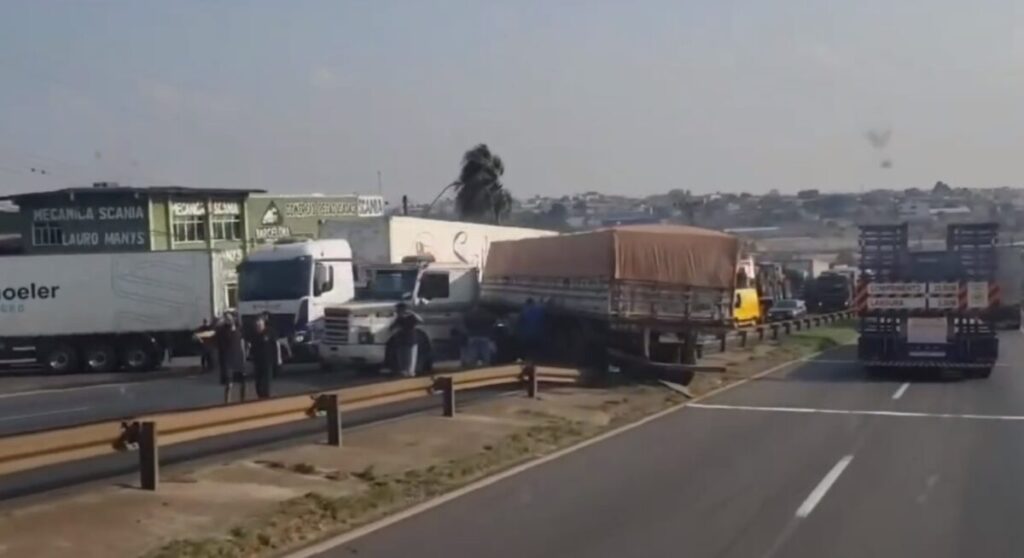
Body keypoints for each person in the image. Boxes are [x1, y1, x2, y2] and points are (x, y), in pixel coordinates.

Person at [215, 312, 247, 403]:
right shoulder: (222, 330)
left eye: (229, 317)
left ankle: (243, 401)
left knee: (242, 382)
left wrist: (244, 356)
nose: (228, 319)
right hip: (228, 359)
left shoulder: (239, 329)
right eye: (226, 318)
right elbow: (215, 334)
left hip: (238, 357)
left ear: (233, 318)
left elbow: (242, 343)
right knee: (229, 384)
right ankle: (227, 403)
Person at [389, 302, 423, 377]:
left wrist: (413, 313)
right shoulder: (398, 319)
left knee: (410, 358)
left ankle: (410, 372)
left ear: (403, 309)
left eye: (398, 309)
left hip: (411, 340)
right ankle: (404, 371)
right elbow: (391, 328)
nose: (397, 311)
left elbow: (420, 320)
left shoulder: (411, 317)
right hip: (401, 341)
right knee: (402, 358)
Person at [248, 316, 279, 399]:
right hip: (257, 361)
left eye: (259, 322)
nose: (258, 324)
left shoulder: (270, 331)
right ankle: (260, 396)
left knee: (266, 382)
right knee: (258, 382)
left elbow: (276, 344)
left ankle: (266, 397)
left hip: (268, 360)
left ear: (263, 322)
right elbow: (251, 347)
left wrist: (279, 358)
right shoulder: (254, 333)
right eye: (256, 322)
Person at [516, 297, 546, 363]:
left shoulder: (524, 311)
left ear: (526, 303)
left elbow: (519, 323)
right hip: (536, 335)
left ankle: (525, 361)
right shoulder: (539, 311)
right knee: (534, 350)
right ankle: (532, 362)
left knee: (526, 350)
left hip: (526, 335)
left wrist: (518, 334)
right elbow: (543, 308)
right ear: (533, 303)